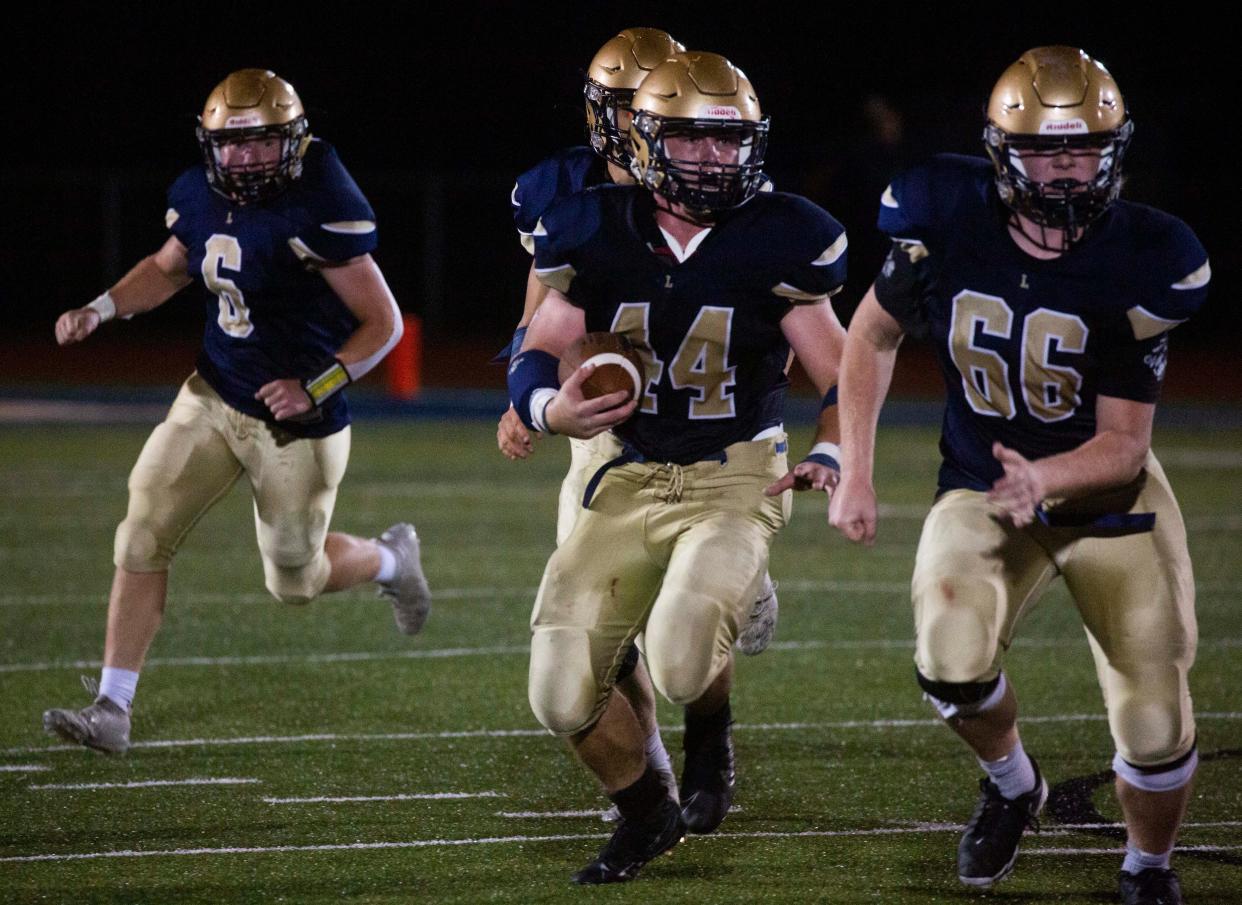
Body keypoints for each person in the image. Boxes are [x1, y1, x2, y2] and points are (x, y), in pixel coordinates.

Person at [830, 47, 1209, 905]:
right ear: (1001, 152)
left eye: (1085, 146)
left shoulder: (1145, 257)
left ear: (1116, 149)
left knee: (1154, 722)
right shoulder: (944, 212)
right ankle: (1011, 783)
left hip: (1111, 498)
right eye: (1044, 148)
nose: (1068, 166)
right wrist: (855, 468)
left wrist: (1043, 474)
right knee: (948, 652)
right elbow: (871, 334)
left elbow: (1122, 442)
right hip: (981, 484)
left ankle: (1149, 867)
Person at [509, 52, 848, 883]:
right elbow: (538, 343)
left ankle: (735, 623)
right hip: (628, 471)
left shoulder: (783, 233)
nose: (713, 158)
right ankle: (646, 809)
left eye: (729, 140)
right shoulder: (590, 225)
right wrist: (548, 409)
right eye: (692, 140)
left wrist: (835, 449)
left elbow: (844, 371)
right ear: (647, 140)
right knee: (557, 692)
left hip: (736, 472)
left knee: (681, 655)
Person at [43, 69, 432, 756]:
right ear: (209, 144)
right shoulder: (198, 194)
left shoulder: (321, 202)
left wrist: (317, 384)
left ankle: (390, 559)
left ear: (292, 142)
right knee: (141, 531)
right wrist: (100, 308)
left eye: (261, 143)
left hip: (296, 424)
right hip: (215, 394)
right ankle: (112, 705)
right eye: (232, 144)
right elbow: (168, 268)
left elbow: (384, 323)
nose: (245, 158)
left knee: (294, 579)